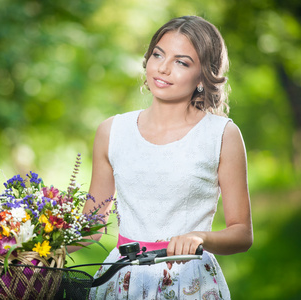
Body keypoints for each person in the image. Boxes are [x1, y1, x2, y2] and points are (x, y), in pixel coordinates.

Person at [83, 15, 253, 299]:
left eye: (181, 62)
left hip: (189, 283)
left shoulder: (222, 134)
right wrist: (29, 243)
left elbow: (242, 233)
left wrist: (200, 238)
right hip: (121, 279)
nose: (162, 68)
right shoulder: (112, 131)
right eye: (158, 55)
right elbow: (91, 227)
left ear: (203, 76)